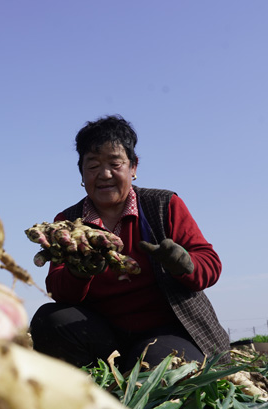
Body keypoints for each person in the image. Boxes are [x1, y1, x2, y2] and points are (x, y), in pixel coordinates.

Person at [29, 115, 230, 371]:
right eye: (93, 166)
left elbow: (210, 266)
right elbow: (58, 291)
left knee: (156, 367)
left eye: (115, 163)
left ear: (133, 168)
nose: (104, 174)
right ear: (81, 172)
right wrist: (78, 273)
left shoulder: (163, 206)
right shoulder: (67, 223)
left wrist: (183, 264)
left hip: (166, 332)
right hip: (102, 335)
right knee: (50, 319)